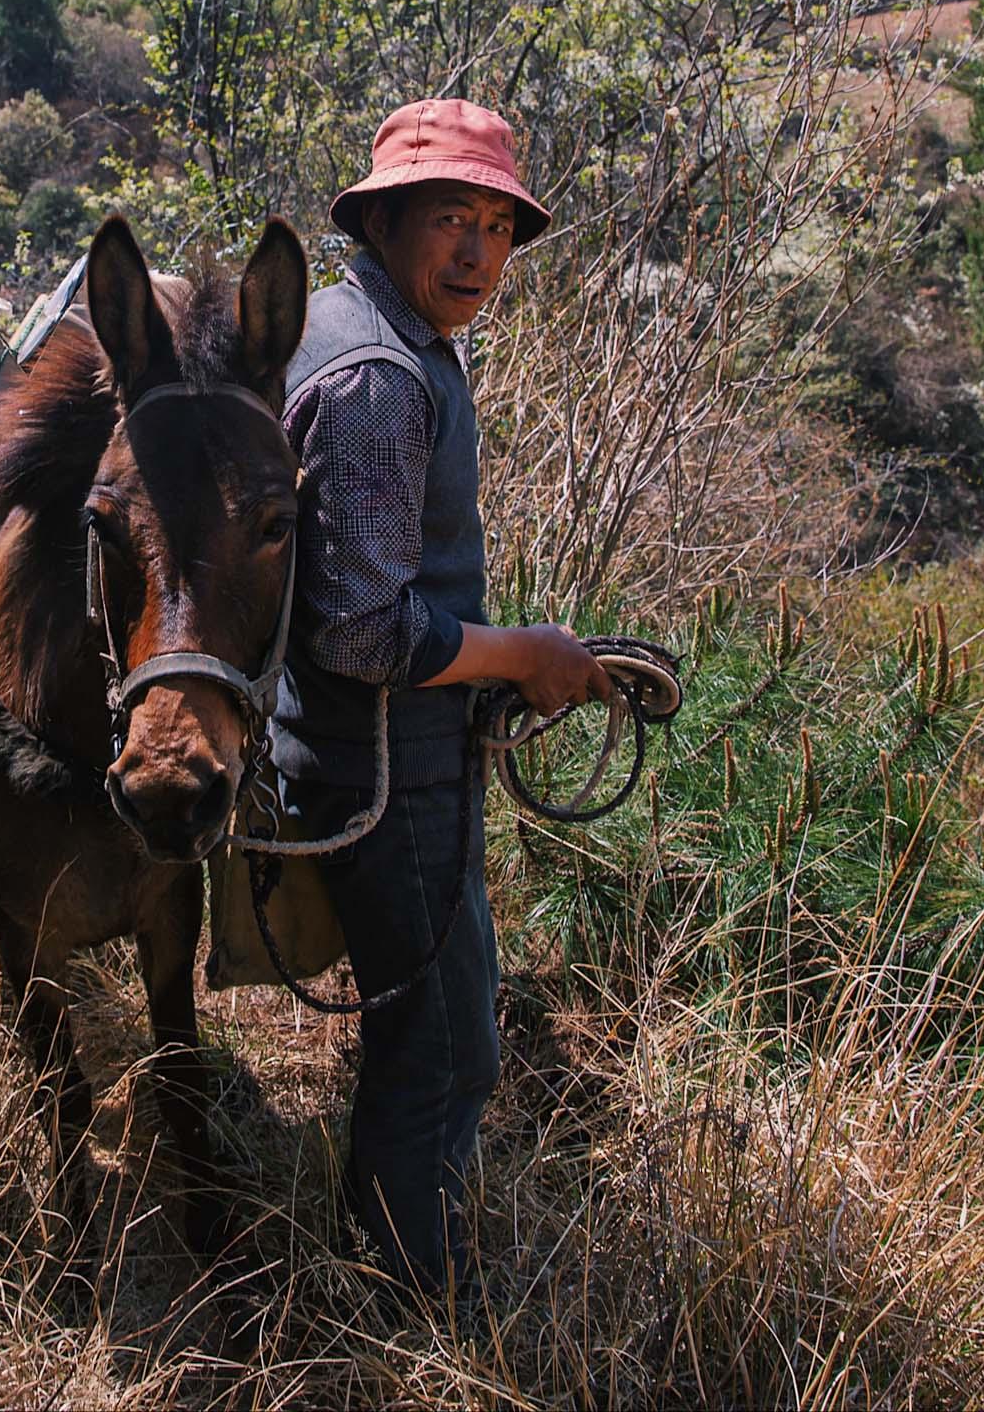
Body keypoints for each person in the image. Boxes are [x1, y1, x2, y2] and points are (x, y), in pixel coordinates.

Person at [273, 97, 611, 1309]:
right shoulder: (376, 375)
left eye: (495, 227)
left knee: (438, 1023)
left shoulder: (357, 327)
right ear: (386, 221)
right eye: (448, 220)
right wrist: (522, 652)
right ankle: (420, 1300)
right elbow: (363, 629)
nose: (475, 252)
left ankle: (393, 1249)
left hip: (387, 753)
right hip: (385, 769)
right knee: (448, 1042)